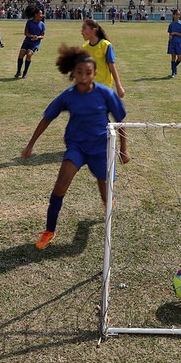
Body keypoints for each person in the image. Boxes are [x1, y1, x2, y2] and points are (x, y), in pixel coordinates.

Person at [22, 46, 129, 250]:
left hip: (101, 149)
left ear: (95, 74)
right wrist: (30, 144)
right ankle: (49, 231)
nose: (83, 77)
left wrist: (124, 149)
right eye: (79, 73)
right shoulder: (68, 96)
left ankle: (107, 203)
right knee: (60, 185)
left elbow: (121, 121)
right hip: (77, 147)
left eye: (88, 73)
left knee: (105, 190)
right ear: (73, 73)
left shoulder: (106, 94)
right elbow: (47, 118)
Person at [80, 19, 125, 98]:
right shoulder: (85, 48)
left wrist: (118, 85)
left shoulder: (106, 45)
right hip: (90, 87)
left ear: (93, 30)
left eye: (84, 28)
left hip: (104, 87)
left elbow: (112, 67)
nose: (81, 31)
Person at [15, 5, 45, 79]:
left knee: (29, 54)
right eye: (40, 14)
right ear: (36, 15)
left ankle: (25, 72)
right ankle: (18, 71)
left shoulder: (42, 25)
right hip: (27, 41)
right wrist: (31, 36)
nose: (42, 15)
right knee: (21, 54)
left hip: (35, 43)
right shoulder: (29, 22)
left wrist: (37, 37)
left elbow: (43, 36)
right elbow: (26, 33)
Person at [167, 9, 181, 78]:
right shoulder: (171, 24)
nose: (178, 16)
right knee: (173, 57)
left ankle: (174, 67)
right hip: (172, 43)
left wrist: (175, 33)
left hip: (179, 43)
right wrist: (170, 36)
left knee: (179, 58)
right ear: (173, 15)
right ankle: (173, 72)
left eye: (179, 15)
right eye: (176, 14)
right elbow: (169, 34)